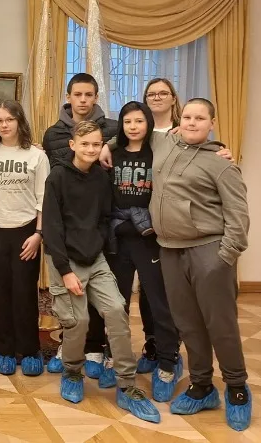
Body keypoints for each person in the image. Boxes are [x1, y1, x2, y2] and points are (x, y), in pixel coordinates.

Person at [42, 120, 160, 424]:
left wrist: (98, 248)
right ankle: (72, 371)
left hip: (95, 260)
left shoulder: (101, 178)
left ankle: (127, 385)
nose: (91, 149)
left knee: (117, 310)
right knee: (78, 321)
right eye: (85, 144)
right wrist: (66, 270)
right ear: (73, 145)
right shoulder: (57, 177)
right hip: (65, 261)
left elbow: (105, 218)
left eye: (96, 144)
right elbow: (52, 229)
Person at [144, 98, 251, 431]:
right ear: (180, 121)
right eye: (187, 117)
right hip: (169, 250)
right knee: (187, 323)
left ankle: (237, 388)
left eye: (199, 118)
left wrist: (225, 257)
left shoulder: (221, 164)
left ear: (211, 124)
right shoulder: (164, 145)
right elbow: (126, 134)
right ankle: (202, 386)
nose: (192, 122)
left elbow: (238, 215)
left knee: (220, 324)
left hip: (208, 251)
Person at [102, 101, 181, 401]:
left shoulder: (158, 152)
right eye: (127, 122)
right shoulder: (111, 154)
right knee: (116, 304)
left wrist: (220, 149)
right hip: (119, 239)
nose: (133, 127)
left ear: (148, 123)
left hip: (150, 239)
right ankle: (115, 358)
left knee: (159, 303)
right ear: (121, 126)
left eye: (139, 121)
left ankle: (167, 363)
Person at [42, 73, 117, 377]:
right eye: (78, 94)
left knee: (101, 298)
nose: (83, 100)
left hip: (96, 225)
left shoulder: (112, 129)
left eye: (89, 94)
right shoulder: (52, 134)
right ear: (68, 97)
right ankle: (68, 347)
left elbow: (145, 138)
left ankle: (96, 348)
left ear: (96, 97)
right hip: (66, 227)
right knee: (70, 301)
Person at [0, 100, 50, 376]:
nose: (4, 125)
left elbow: (43, 199)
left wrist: (38, 234)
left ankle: (30, 349)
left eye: (9, 119)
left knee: (24, 293)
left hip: (26, 231)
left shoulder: (36, 156)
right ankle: (5, 350)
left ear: (20, 121)